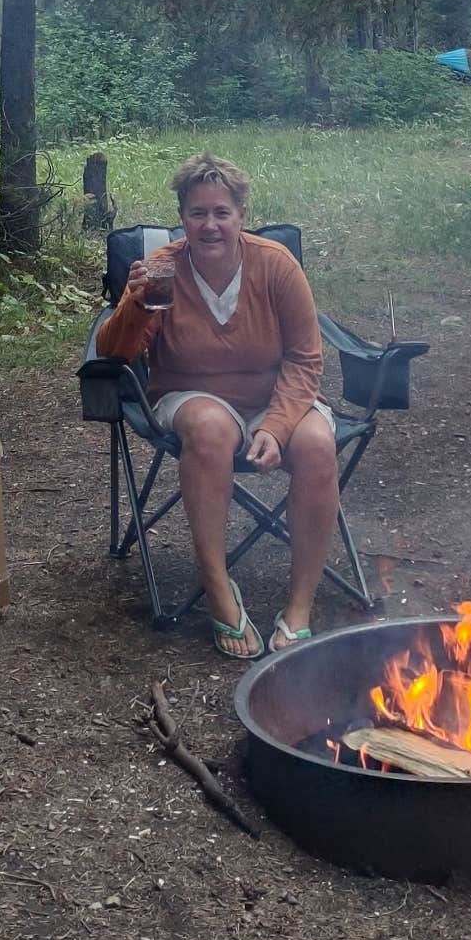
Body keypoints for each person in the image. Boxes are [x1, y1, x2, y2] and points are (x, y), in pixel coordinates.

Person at [97, 152, 339, 659]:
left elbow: (304, 358)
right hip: (187, 393)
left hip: (274, 396)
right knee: (210, 429)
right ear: (182, 218)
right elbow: (114, 354)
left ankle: (299, 606)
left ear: (241, 216)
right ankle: (217, 587)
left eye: (221, 213)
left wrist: (276, 425)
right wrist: (134, 304)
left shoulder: (275, 266)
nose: (209, 225)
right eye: (197, 214)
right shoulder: (162, 271)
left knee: (317, 442)